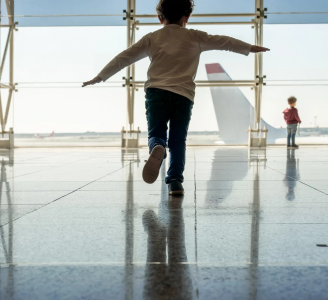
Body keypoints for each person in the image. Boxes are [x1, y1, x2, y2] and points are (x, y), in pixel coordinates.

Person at [82, 0, 269, 195]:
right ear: (187, 17)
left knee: (156, 134)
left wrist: (100, 76)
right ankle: (175, 182)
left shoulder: (152, 38)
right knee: (178, 140)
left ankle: (158, 147)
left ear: (160, 18)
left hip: (156, 93)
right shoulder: (195, 36)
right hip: (183, 96)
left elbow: (124, 57)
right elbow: (224, 42)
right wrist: (250, 47)